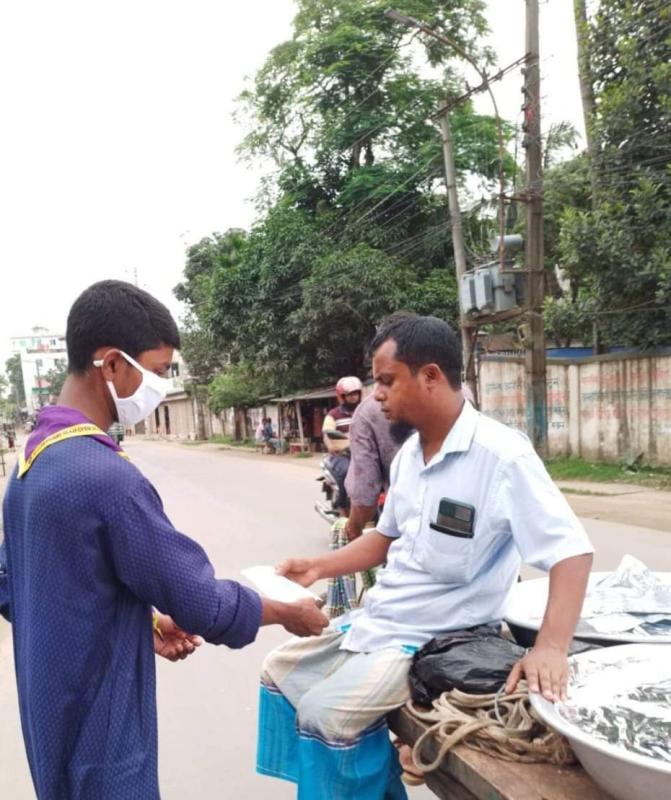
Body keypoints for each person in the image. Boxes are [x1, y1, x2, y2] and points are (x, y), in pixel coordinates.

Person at [0, 280, 328, 800]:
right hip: (102, 734)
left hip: (50, 720)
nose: (159, 385)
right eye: (156, 371)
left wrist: (144, 621)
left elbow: (26, 586)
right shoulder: (106, 477)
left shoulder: (32, 463)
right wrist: (289, 613)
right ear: (111, 364)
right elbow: (199, 601)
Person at [256, 314, 594, 800]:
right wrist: (317, 567)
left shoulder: (501, 457)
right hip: (384, 617)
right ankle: (365, 777)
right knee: (280, 671)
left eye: (387, 381)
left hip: (434, 635)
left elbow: (571, 552)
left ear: (431, 376)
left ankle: (360, 782)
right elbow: (383, 538)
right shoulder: (411, 456)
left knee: (325, 714)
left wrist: (550, 648)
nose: (376, 395)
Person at [321, 376, 363, 514]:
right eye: (350, 394)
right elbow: (327, 432)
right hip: (342, 455)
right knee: (346, 473)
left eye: (356, 393)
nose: (354, 397)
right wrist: (333, 445)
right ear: (342, 396)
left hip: (364, 453)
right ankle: (342, 506)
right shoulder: (333, 415)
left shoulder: (365, 411)